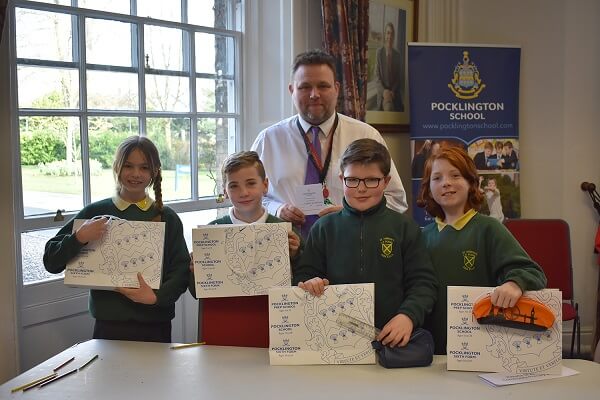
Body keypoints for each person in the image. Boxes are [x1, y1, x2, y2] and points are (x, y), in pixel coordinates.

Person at [43, 136, 191, 342]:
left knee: (154, 375)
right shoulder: (95, 212)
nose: (136, 174)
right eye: (128, 166)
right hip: (108, 327)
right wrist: (79, 237)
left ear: (155, 171)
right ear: (116, 167)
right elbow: (51, 261)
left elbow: (181, 271)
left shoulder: (168, 217)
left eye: (144, 167)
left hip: (156, 326)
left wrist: (157, 296)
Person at [293, 138, 437, 348]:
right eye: (352, 180)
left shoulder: (405, 228)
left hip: (392, 340)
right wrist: (310, 282)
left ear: (386, 182)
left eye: (371, 180)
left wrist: (408, 316)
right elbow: (303, 275)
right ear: (342, 179)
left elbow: (423, 284)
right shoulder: (324, 228)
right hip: (334, 340)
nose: (361, 188)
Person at [251, 49, 407, 239]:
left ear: (337, 89)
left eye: (323, 86)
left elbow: (396, 200)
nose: (314, 94)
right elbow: (248, 197)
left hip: (350, 249)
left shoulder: (366, 135)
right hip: (287, 251)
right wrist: (277, 209)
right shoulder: (268, 140)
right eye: (305, 87)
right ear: (292, 90)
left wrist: (352, 213)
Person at [416, 146, 546, 354]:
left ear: (470, 182)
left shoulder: (489, 228)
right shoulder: (422, 236)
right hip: (431, 346)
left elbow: (532, 272)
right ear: (428, 188)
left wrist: (514, 283)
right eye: (437, 178)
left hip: (482, 344)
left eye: (455, 175)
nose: (446, 183)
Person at [188, 150, 302, 347]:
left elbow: (301, 283)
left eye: (251, 183)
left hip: (273, 326)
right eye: (234, 186)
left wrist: (295, 255)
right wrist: (195, 272)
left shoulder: (286, 233)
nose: (243, 193)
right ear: (225, 191)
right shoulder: (212, 232)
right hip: (222, 325)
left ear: (265, 185)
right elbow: (196, 291)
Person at [374, 22, 404, 112]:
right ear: (384, 35)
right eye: (388, 33)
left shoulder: (397, 55)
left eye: (392, 34)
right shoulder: (379, 53)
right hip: (383, 95)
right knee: (388, 109)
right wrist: (384, 92)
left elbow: (399, 78)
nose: (389, 36)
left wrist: (393, 91)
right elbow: (377, 77)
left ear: (394, 36)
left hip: (394, 93)